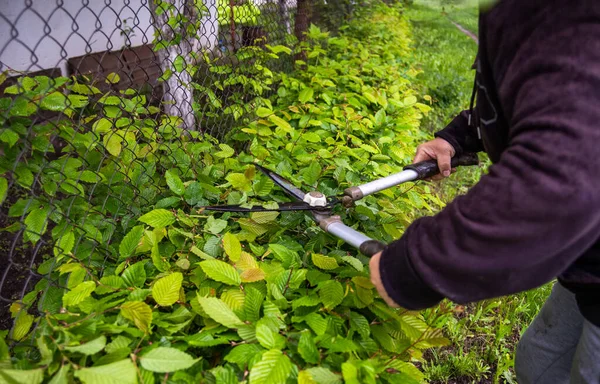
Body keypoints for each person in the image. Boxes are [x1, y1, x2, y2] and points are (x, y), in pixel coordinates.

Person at [369, 1, 600, 382]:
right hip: (587, 263)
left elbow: (561, 182)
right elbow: (539, 102)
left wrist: (415, 266)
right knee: (537, 363)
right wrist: (456, 138)